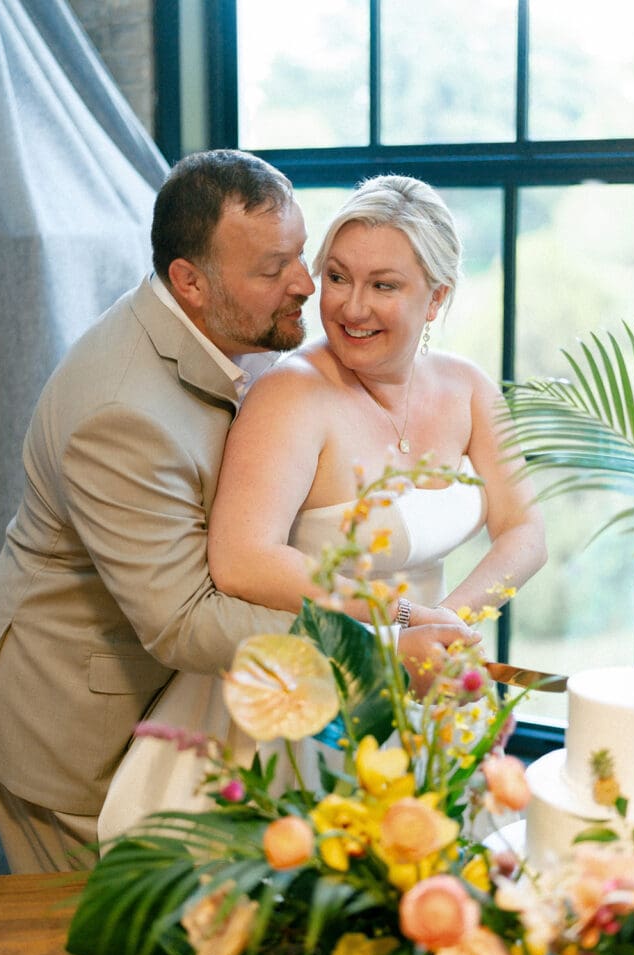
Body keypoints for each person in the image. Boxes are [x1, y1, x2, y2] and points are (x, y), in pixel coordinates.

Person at [0, 152, 473, 873]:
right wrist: (378, 643)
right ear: (189, 282)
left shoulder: (244, 336)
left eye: (300, 256)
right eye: (272, 270)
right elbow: (184, 621)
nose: (305, 285)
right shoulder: (121, 413)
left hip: (190, 703)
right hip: (75, 724)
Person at [208, 175, 547, 652]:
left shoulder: (468, 387)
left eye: (383, 285)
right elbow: (241, 560)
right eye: (338, 277)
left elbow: (525, 530)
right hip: (313, 680)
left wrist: (448, 624)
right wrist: (400, 616)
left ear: (436, 299)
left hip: (427, 666)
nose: (353, 307)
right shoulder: (290, 393)